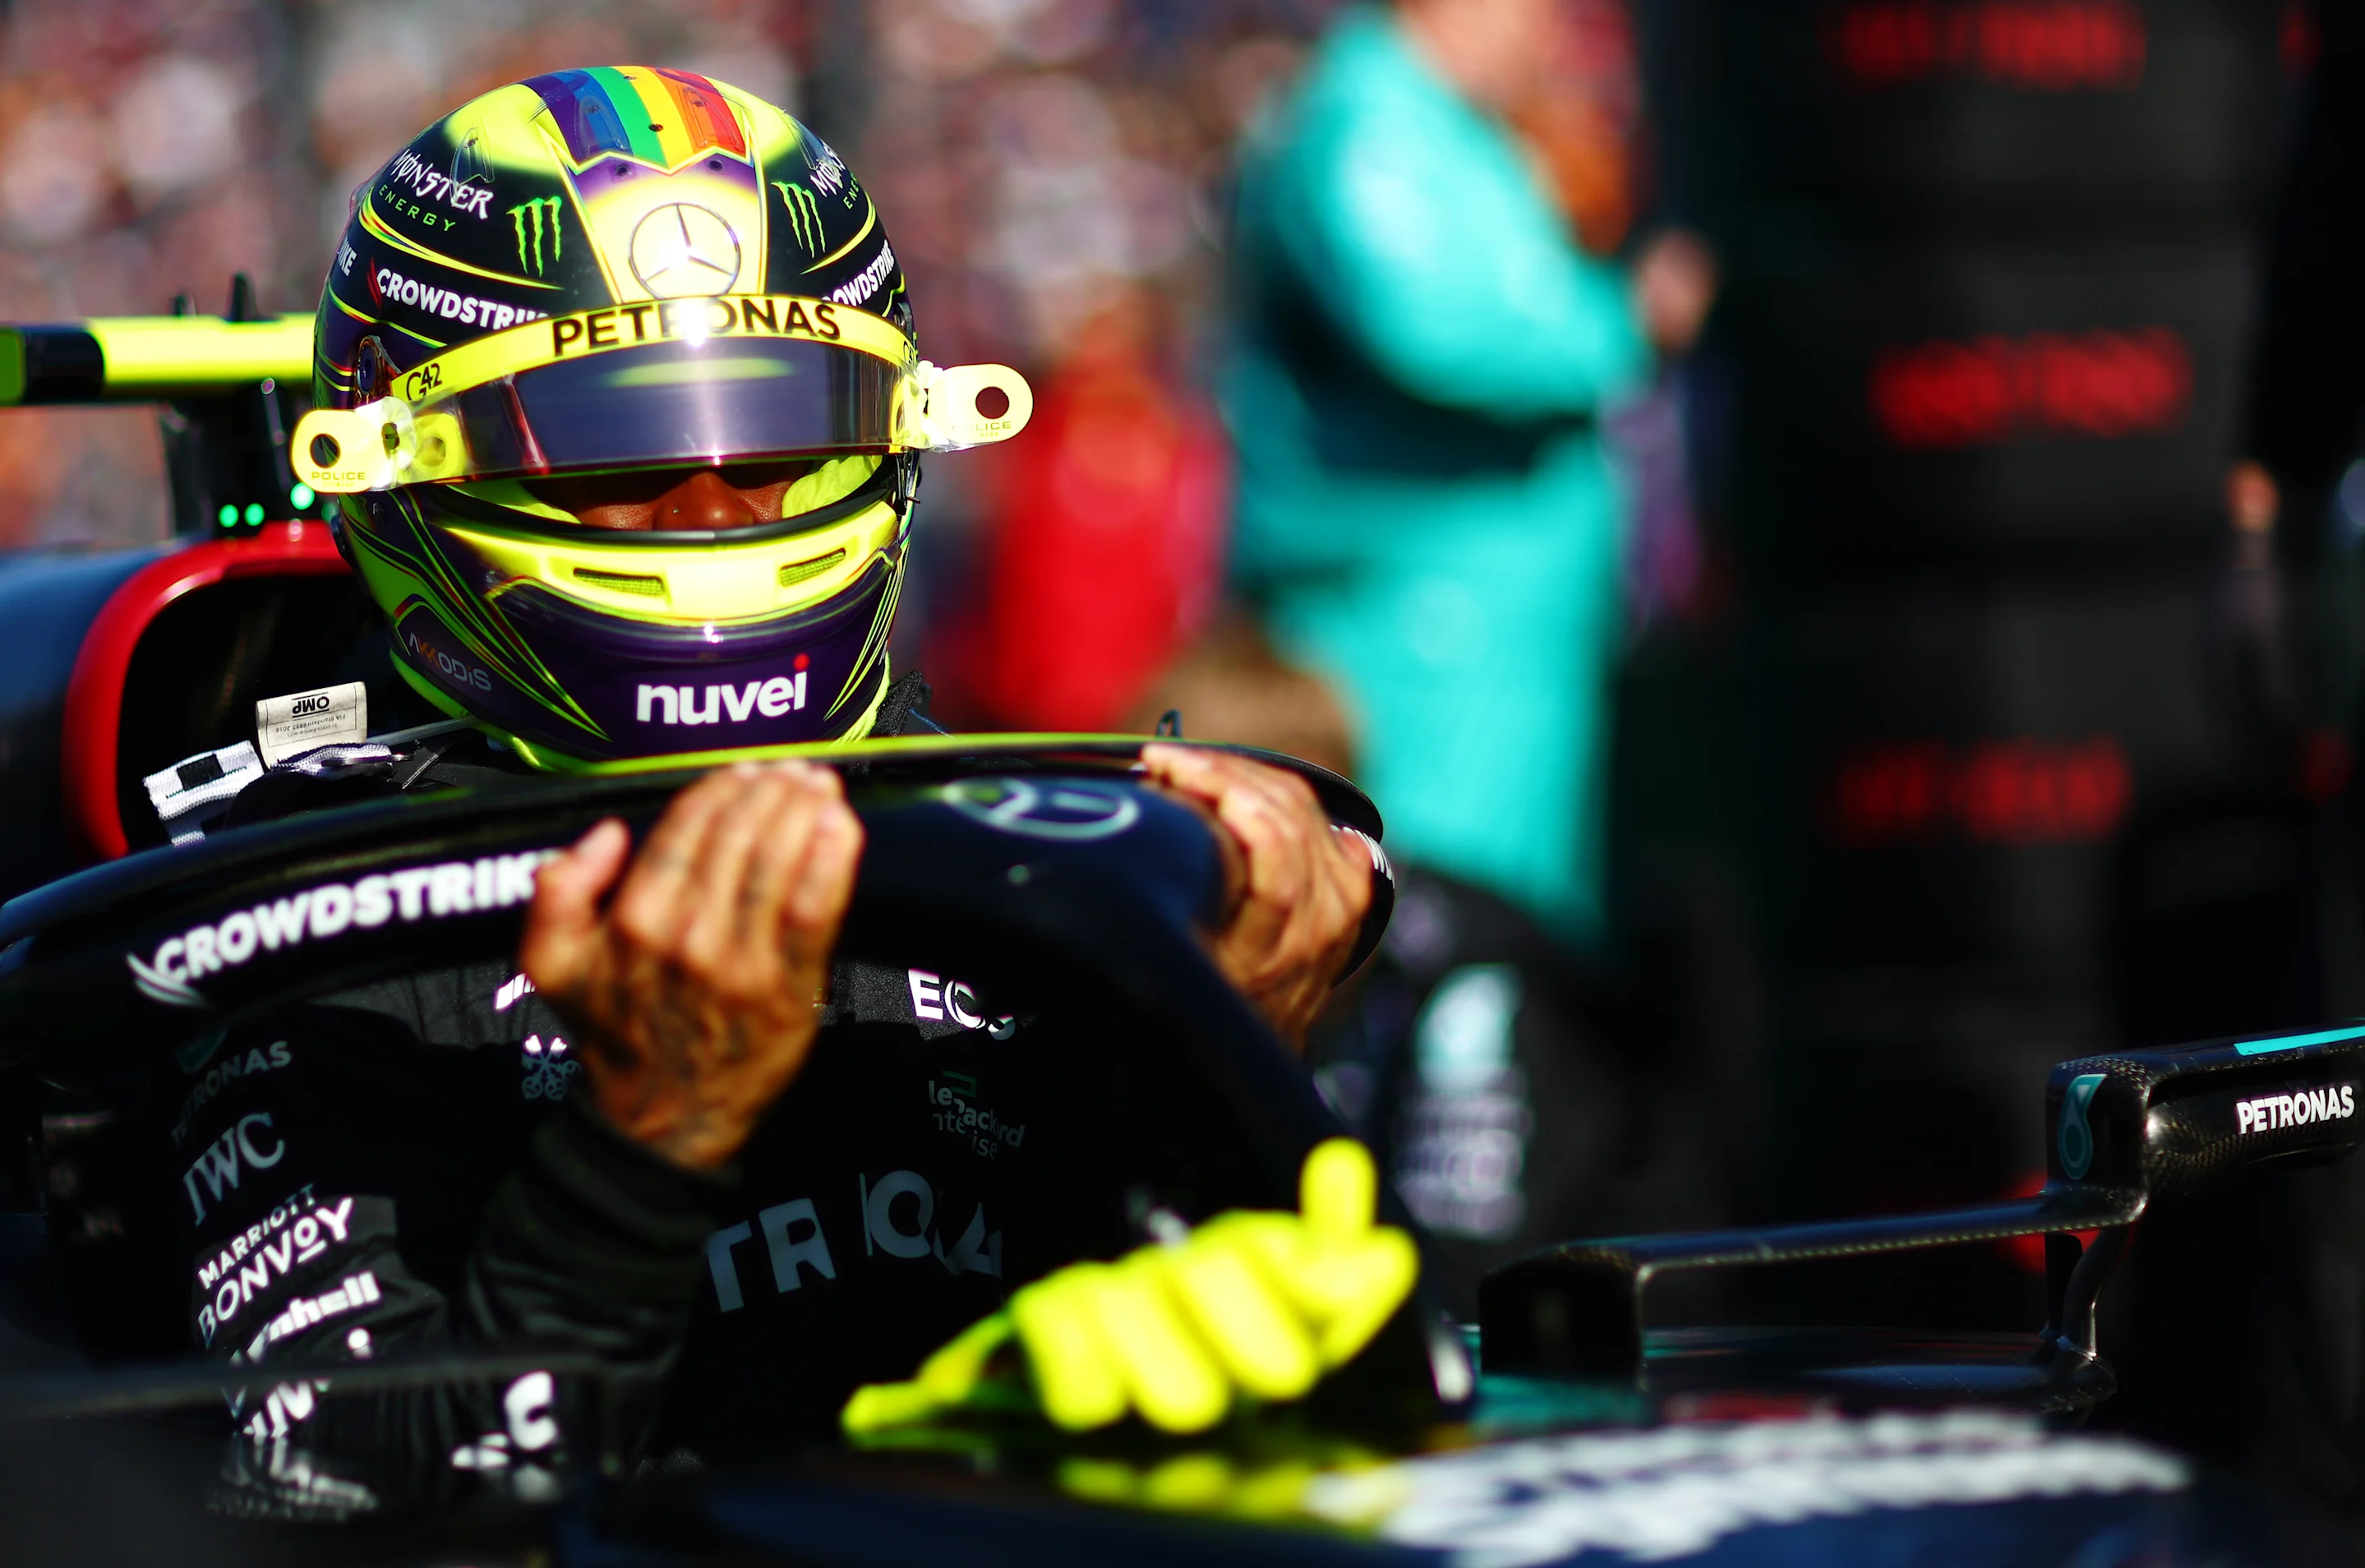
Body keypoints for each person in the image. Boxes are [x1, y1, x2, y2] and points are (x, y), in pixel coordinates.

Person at [161, 67, 1392, 1514]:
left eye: (780, 443)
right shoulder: (308, 926)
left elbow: (1218, 1373)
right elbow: (345, 1507)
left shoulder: (1011, 845)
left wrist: (1207, 1060)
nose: (711, 509)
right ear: (408, 475)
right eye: (614, 451)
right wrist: (642, 1148)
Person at [1219, 0, 1713, 956]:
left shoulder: (1449, 131)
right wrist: (1626, 323)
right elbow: (1428, 328)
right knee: (1441, 933)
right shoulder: (1370, 123)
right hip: (1420, 639)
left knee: (1506, 930)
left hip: (1476, 630)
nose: (1549, 34)